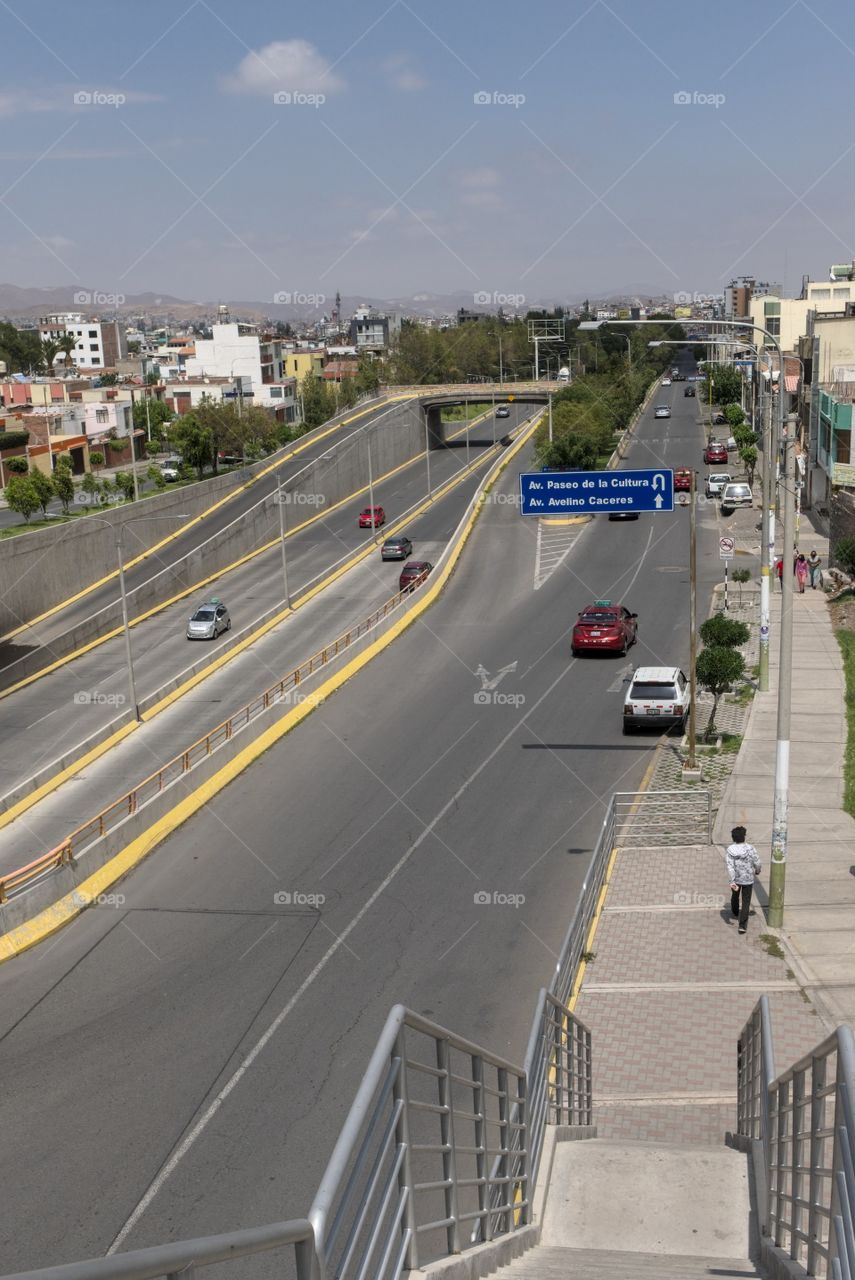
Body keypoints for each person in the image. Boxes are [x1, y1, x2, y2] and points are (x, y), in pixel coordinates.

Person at [726, 826, 761, 934]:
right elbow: (757, 862)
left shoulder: (730, 850)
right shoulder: (750, 848)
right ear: (744, 837)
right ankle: (742, 926)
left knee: (735, 895)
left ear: (733, 838)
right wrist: (757, 870)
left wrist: (732, 880)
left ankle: (735, 911)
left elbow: (730, 866)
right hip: (748, 879)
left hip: (736, 879)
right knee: (746, 902)